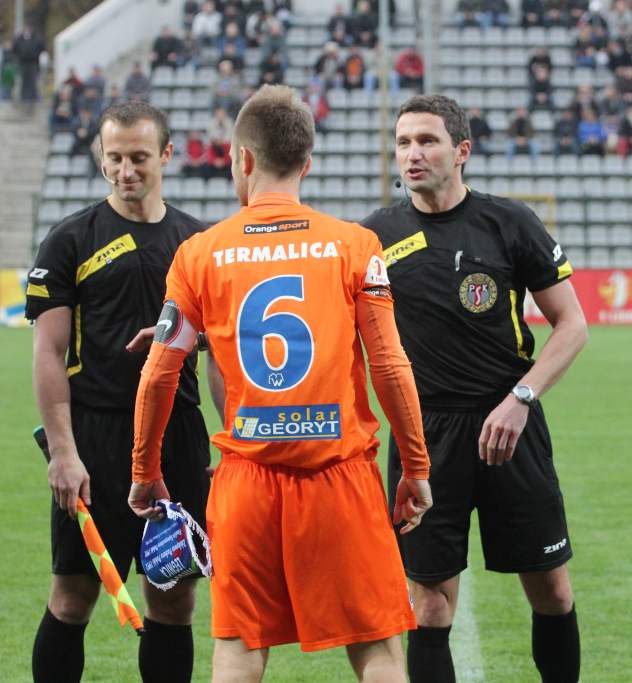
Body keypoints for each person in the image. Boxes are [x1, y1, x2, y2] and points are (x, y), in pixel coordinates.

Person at [126, 84, 432, 683]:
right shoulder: (355, 245)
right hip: (340, 476)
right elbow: (391, 365)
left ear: (242, 158)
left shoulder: (198, 254)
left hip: (245, 483)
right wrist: (415, 466)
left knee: (239, 647)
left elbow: (160, 372)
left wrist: (144, 471)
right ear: (307, 163)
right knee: (377, 650)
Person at [362, 94, 588, 683]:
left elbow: (572, 325)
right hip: (425, 436)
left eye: (427, 141)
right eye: (404, 142)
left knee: (552, 590)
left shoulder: (509, 223)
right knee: (429, 604)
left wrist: (521, 399)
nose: (412, 153)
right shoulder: (372, 238)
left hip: (512, 426)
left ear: (461, 151)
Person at [26, 101, 216, 683]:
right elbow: (48, 352)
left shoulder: (197, 243)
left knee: (173, 602)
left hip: (178, 435)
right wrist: (63, 451)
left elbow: (222, 357)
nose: (126, 170)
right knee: (73, 595)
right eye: (114, 158)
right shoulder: (69, 240)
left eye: (139, 157)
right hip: (96, 438)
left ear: (166, 155)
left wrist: (230, 445)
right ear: (99, 157)